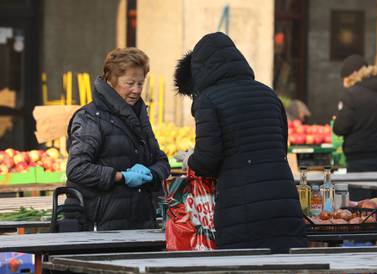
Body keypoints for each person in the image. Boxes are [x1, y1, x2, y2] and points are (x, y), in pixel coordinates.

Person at [174, 32, 307, 254]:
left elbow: (208, 160)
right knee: (282, 267)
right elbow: (280, 148)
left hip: (241, 208)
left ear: (199, 70)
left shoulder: (208, 100)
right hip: (283, 204)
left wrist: (191, 159)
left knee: (240, 267)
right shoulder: (268, 94)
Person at [65, 47, 170, 231]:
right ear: (111, 81)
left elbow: (161, 160)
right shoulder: (90, 118)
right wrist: (120, 176)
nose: (136, 90)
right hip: (99, 228)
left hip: (141, 223)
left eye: (140, 83)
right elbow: (77, 168)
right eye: (130, 83)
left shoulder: (139, 115)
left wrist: (151, 173)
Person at [333, 54, 377, 200]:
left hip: (360, 162)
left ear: (354, 74)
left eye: (345, 78)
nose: (344, 84)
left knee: (362, 210)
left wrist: (338, 118)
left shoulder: (351, 94)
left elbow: (340, 127)